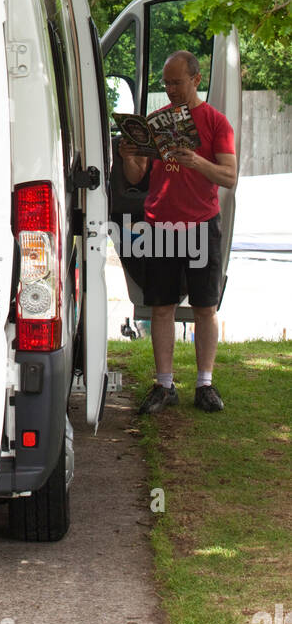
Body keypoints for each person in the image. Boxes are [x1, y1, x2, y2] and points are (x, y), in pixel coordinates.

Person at [119, 50, 237, 415]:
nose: (170, 89)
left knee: (205, 306)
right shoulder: (155, 122)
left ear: (196, 80)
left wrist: (197, 162)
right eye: (166, 82)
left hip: (202, 223)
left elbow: (230, 177)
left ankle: (205, 384)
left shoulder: (216, 123)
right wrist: (128, 155)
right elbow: (136, 177)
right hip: (161, 225)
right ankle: (164, 384)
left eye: (177, 82)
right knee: (162, 307)